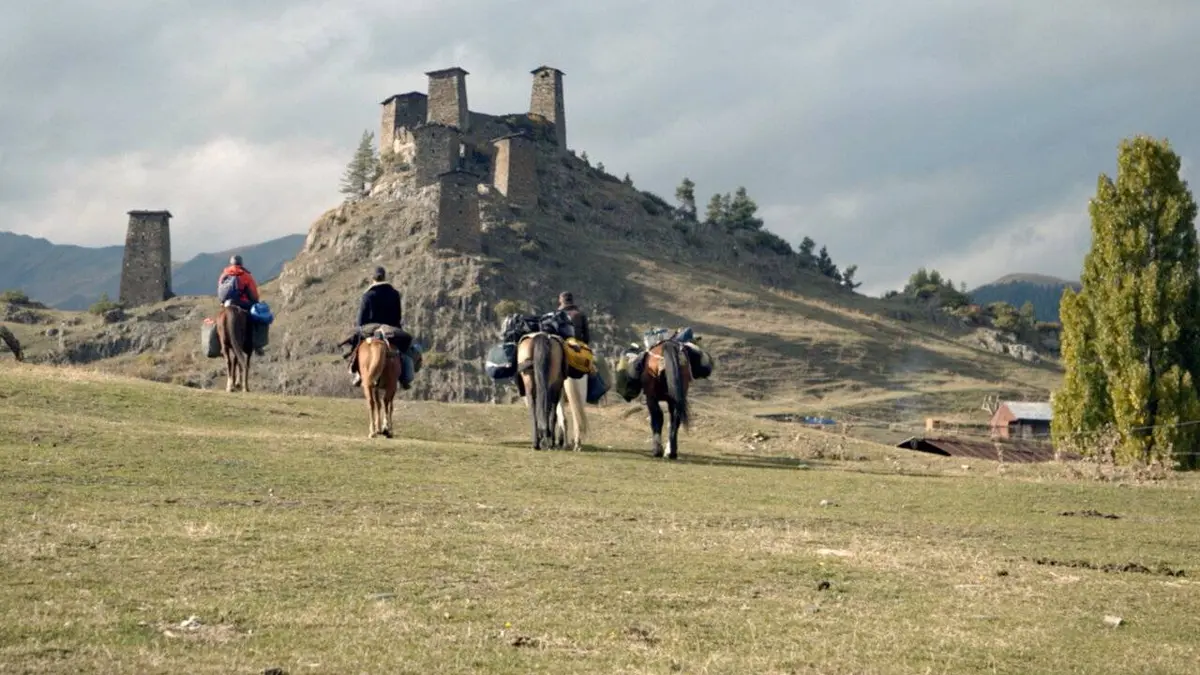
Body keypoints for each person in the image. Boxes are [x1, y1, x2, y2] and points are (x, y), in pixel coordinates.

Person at [350, 266, 403, 386]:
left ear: (372, 278)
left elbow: (361, 319)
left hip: (370, 329)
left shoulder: (368, 295)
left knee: (356, 344)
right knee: (405, 349)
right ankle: (404, 376)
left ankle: (357, 373)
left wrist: (359, 328)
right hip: (390, 329)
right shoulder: (394, 294)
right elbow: (398, 316)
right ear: (384, 277)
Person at [217, 254, 263, 355]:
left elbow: (220, 290)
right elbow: (254, 295)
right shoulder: (245, 275)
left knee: (219, 322)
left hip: (226, 303)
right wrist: (255, 301)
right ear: (241, 263)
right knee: (253, 318)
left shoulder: (224, 274)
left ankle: (220, 346)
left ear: (231, 263)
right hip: (241, 303)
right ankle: (256, 345)